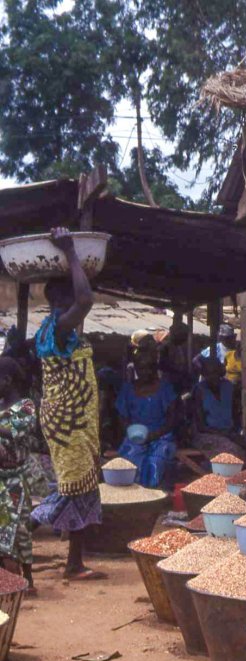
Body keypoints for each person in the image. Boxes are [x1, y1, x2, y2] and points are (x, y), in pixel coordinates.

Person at [31, 227, 104, 582]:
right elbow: (86, 300)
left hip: (75, 420)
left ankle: (74, 563)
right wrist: (72, 252)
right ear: (64, 301)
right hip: (68, 422)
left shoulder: (61, 330)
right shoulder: (58, 327)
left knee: (82, 487)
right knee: (74, 487)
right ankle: (16, 529)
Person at [116, 338, 178, 488]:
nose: (145, 372)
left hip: (161, 436)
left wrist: (155, 435)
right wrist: (131, 432)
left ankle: (153, 493)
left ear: (154, 369)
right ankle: (133, 495)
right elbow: (122, 417)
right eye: (140, 369)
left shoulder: (164, 389)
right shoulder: (128, 389)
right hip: (135, 436)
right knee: (131, 458)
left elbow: (173, 418)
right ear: (135, 369)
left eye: (148, 368)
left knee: (156, 461)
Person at [0, 359, 39, 587]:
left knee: (18, 531)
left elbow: (14, 431)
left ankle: (27, 580)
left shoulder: (26, 407)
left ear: (7, 380)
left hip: (13, 481)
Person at [191, 355, 246, 466]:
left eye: (215, 373)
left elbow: (236, 413)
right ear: (204, 375)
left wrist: (234, 432)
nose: (213, 377)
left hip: (229, 432)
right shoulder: (199, 391)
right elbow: (201, 426)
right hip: (207, 436)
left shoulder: (228, 387)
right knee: (235, 453)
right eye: (209, 374)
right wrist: (223, 434)